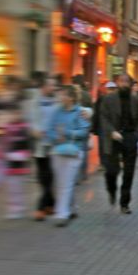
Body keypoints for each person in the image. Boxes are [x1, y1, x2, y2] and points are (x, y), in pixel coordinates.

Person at [99, 74, 138, 214]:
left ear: (131, 84)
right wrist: (111, 131)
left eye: (127, 82)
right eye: (121, 81)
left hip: (130, 137)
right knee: (112, 170)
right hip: (114, 137)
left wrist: (136, 134)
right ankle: (111, 190)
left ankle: (124, 203)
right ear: (117, 83)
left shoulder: (136, 100)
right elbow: (103, 117)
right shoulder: (108, 99)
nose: (124, 84)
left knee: (129, 172)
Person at [45, 86, 91, 227]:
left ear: (71, 98)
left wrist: (67, 133)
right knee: (61, 183)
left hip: (74, 152)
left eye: (63, 95)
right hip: (58, 151)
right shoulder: (56, 111)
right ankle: (71, 208)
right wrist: (55, 138)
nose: (60, 97)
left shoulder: (80, 112)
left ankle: (62, 214)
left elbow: (84, 132)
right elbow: (50, 130)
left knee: (67, 183)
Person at [26, 74, 57, 221]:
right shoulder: (34, 102)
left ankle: (41, 207)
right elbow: (30, 120)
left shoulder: (55, 101)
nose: (54, 88)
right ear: (44, 87)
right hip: (39, 144)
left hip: (52, 144)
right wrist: (34, 130)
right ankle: (51, 204)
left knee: (48, 176)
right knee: (43, 176)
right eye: (51, 85)